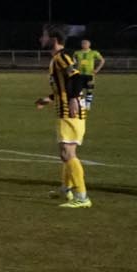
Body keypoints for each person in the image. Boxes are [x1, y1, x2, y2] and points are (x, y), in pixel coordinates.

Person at [38, 27, 92, 208]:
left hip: (70, 110)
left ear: (53, 39)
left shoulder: (62, 56)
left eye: (44, 36)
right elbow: (65, 84)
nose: (41, 39)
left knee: (67, 153)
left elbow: (77, 78)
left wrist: (73, 99)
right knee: (66, 153)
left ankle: (82, 197)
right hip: (66, 107)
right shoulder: (58, 58)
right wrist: (50, 98)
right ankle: (65, 190)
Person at [75, 37, 106, 109]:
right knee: (79, 90)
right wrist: (74, 67)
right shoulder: (77, 53)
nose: (84, 45)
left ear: (89, 45)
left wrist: (97, 69)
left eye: (85, 43)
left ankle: (88, 105)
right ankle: (82, 105)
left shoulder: (94, 53)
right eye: (83, 43)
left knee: (89, 89)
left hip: (90, 74)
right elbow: (73, 60)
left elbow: (102, 60)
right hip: (80, 74)